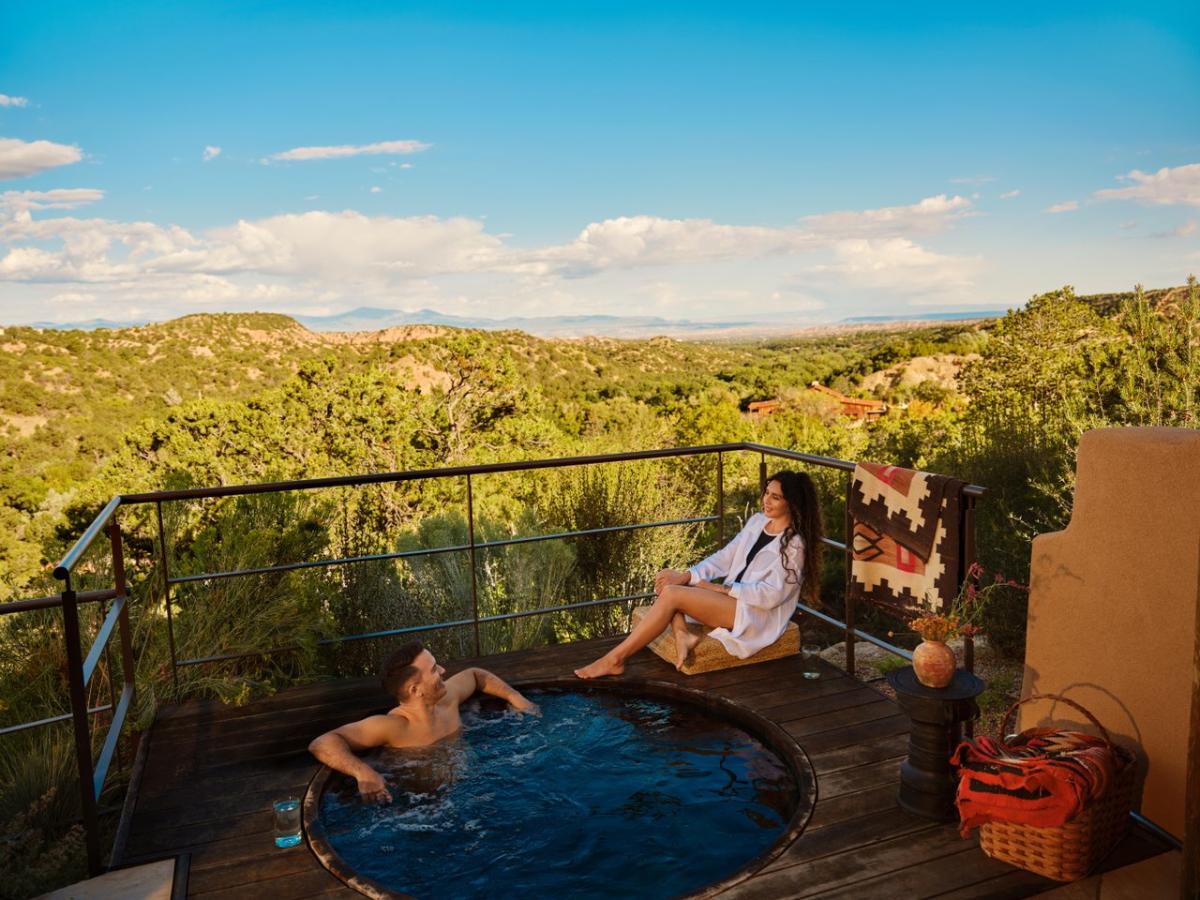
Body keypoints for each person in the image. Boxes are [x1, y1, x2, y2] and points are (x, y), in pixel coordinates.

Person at [574, 470, 823, 678]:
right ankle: (682, 634)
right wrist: (687, 576)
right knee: (670, 584)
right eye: (767, 492)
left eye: (776, 497)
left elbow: (772, 596)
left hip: (753, 613)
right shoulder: (758, 522)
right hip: (731, 602)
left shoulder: (795, 545)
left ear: (792, 503)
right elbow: (725, 557)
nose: (766, 500)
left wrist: (720, 589)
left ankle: (615, 659)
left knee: (673, 595)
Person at [308, 641, 538, 803]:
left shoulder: (447, 699)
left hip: (477, 790)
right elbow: (322, 742)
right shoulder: (395, 727)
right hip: (428, 809)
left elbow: (475, 675)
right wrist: (363, 772)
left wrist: (516, 697)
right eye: (434, 669)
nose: (443, 670)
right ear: (415, 690)